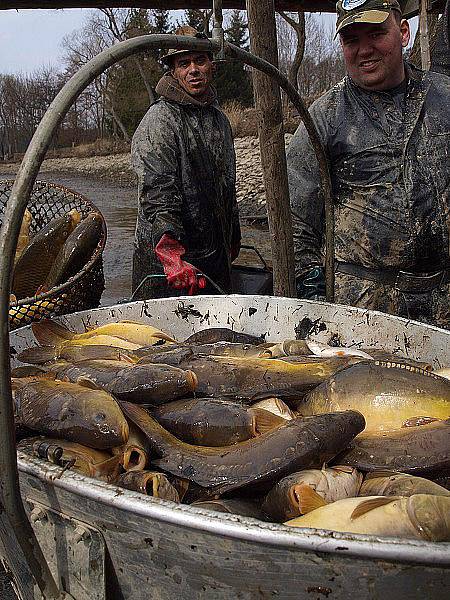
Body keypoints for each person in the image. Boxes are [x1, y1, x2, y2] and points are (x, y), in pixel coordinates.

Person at [287, 0, 449, 328]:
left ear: (403, 32)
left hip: (445, 301)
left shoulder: (443, 97)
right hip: (366, 308)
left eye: (375, 34)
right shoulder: (325, 117)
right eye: (351, 40)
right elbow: (296, 222)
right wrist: (314, 303)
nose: (364, 50)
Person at [131, 26, 240, 299]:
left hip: (213, 256)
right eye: (184, 63)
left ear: (211, 65)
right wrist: (170, 252)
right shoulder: (160, 120)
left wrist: (233, 233)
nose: (193, 69)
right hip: (167, 262)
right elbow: (158, 192)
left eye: (200, 61)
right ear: (173, 71)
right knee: (162, 336)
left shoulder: (220, 121)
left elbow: (227, 185)